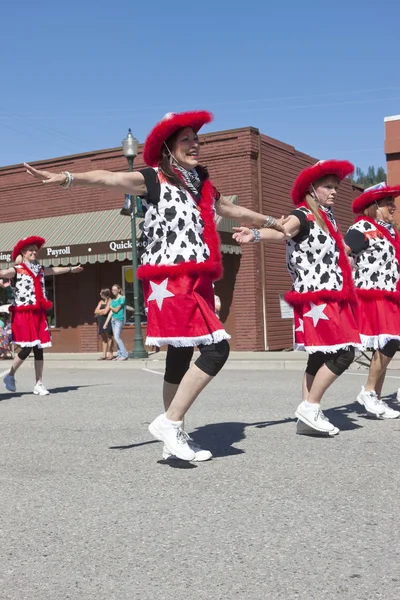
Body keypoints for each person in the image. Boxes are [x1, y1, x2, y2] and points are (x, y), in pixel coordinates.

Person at [24, 110, 286, 461]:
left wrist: (273, 222)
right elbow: (108, 179)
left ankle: (172, 436)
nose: (195, 144)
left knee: (179, 355)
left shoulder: (200, 185)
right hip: (171, 279)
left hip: (198, 277)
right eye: (186, 139)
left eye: (197, 138)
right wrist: (68, 177)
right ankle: (171, 421)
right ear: (168, 145)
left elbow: (229, 209)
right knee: (216, 349)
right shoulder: (153, 178)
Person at [233, 160, 361, 436]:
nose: (334, 191)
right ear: (312, 189)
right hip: (317, 297)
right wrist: (254, 234)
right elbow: (283, 230)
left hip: (331, 295)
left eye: (336, 187)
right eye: (328, 187)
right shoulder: (302, 214)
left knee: (319, 356)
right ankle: (311, 406)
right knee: (344, 352)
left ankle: (307, 415)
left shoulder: (328, 218)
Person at [0, 237, 83, 395]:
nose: (33, 252)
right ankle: (10, 375)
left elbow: (55, 270)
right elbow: (4, 273)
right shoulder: (17, 269)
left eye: (34, 249)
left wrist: (71, 269)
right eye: (30, 250)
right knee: (27, 347)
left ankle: (39, 383)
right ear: (23, 253)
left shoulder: (40, 269)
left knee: (39, 349)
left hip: (39, 313)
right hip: (24, 313)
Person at [345, 183, 400, 419]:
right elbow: (343, 251)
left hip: (392, 292)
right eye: (388, 202)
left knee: (389, 345)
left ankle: (374, 397)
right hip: (373, 293)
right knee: (388, 344)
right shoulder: (362, 228)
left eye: (393, 201)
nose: (393, 206)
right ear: (374, 206)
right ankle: (368, 392)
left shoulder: (391, 230)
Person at [103, 284, 128, 361]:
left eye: (114, 289)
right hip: (113, 320)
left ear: (119, 290)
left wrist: (110, 306)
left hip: (119, 320)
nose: (113, 290)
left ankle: (124, 354)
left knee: (117, 337)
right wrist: (106, 323)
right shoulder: (113, 300)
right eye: (112, 289)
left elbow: (116, 310)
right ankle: (119, 355)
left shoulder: (122, 298)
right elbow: (111, 313)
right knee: (116, 338)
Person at [94, 288, 114, 360]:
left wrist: (100, 311)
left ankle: (111, 354)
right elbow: (95, 311)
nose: (100, 294)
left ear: (104, 294)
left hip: (107, 321)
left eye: (101, 293)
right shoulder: (101, 302)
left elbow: (106, 312)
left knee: (109, 337)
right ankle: (104, 355)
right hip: (101, 321)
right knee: (103, 338)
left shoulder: (110, 301)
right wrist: (102, 310)